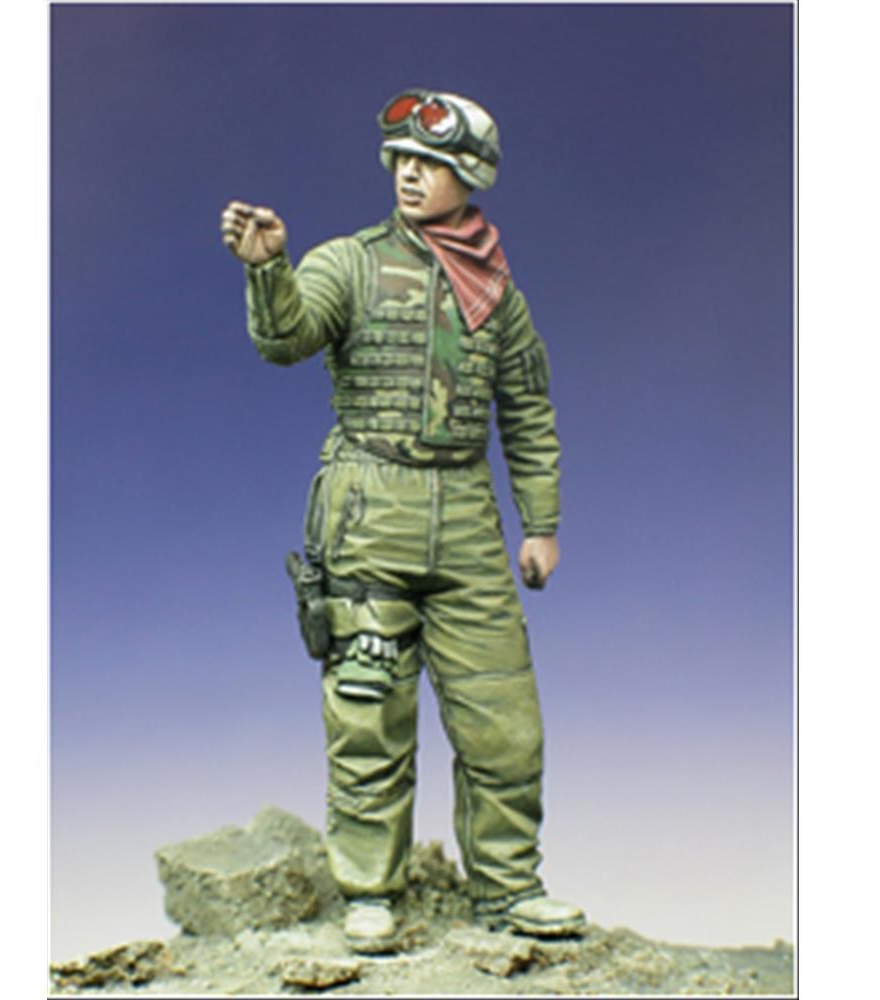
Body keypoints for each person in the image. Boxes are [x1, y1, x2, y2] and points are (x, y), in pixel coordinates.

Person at [221, 89, 585, 953]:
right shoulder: (348, 264)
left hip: (465, 517)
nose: (411, 176)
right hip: (369, 511)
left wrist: (540, 524)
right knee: (367, 714)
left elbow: (526, 409)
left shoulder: (496, 290)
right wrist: (268, 270)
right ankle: (368, 891)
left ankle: (509, 886)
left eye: (432, 164)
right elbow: (287, 337)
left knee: (505, 720)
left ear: (472, 176)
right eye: (403, 161)